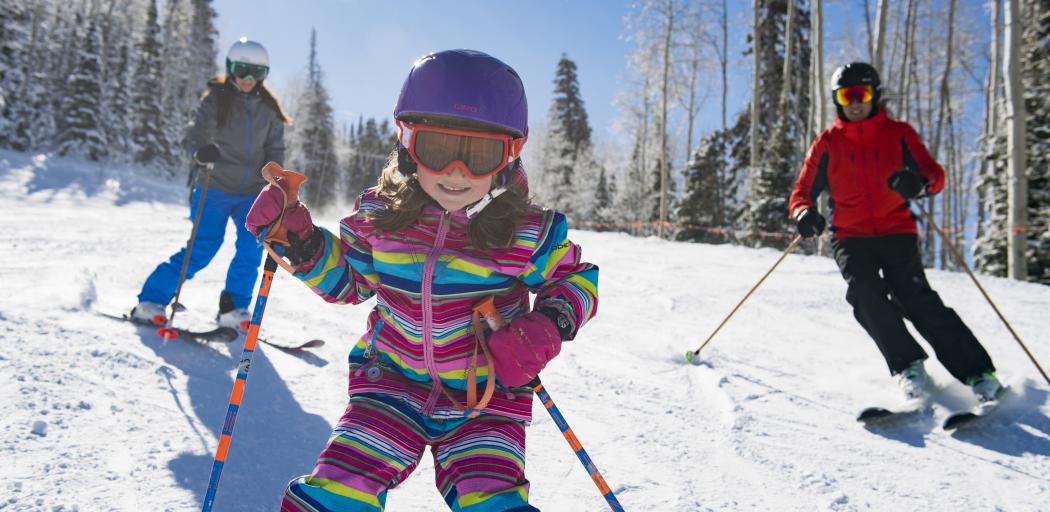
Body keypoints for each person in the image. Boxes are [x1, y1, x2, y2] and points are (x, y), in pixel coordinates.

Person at [246, 49, 598, 511]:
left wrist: (547, 324)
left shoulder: (526, 231)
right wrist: (301, 242)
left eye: (478, 154)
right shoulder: (380, 217)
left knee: (493, 501)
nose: (456, 172)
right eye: (437, 148)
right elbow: (349, 283)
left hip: (484, 401)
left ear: (510, 153)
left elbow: (576, 280)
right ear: (407, 144)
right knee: (337, 493)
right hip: (389, 388)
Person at [788, 62, 1003, 404]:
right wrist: (805, 214)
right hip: (851, 236)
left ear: (875, 95)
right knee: (864, 293)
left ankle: (978, 373)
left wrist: (918, 184)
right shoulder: (826, 144)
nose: (856, 102)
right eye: (847, 95)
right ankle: (909, 367)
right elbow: (802, 193)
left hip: (896, 230)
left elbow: (934, 175)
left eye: (863, 93)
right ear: (837, 100)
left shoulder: (898, 134)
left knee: (915, 298)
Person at [132, 38, 289, 329]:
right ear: (231, 69)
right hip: (214, 185)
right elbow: (196, 134)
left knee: (250, 249)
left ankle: (233, 308)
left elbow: (275, 151)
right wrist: (201, 150)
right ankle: (151, 300)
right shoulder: (216, 99)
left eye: (257, 73)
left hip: (252, 194)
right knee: (203, 247)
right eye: (243, 71)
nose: (249, 80)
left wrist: (278, 183)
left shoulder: (269, 110)